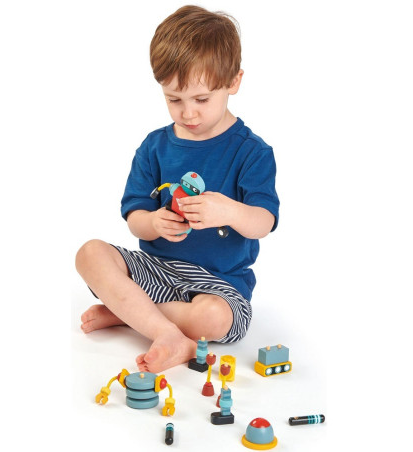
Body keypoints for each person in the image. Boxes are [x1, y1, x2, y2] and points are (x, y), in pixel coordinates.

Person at [75, 5, 280, 373]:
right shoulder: (155, 146)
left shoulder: (253, 152)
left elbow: (264, 222)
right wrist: (153, 223)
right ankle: (165, 331)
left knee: (213, 319)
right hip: (156, 269)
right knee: (89, 254)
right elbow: (135, 218)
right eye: (174, 99)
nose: (188, 113)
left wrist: (229, 211)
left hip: (219, 283)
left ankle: (129, 314)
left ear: (233, 82)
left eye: (201, 99)